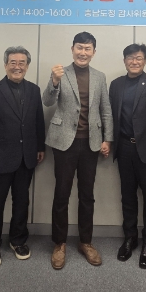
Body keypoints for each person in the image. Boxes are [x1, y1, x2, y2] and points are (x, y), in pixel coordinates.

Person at [42, 31, 113, 270]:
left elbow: (106, 110)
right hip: (64, 142)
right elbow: (48, 101)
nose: (83, 52)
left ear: (94, 52)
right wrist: (53, 82)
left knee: (87, 195)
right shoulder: (61, 73)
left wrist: (108, 139)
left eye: (87, 48)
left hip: (91, 143)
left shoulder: (100, 76)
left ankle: (86, 242)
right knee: (61, 194)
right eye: (79, 48)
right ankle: (59, 244)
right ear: (72, 49)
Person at [0, 46, 45, 268]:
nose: (17, 66)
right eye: (13, 62)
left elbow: (38, 120)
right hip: (0, 158)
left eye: (22, 62)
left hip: (26, 157)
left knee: (22, 202)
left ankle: (18, 240)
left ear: (27, 66)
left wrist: (40, 146)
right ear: (5, 65)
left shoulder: (34, 90)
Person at [109, 43, 146, 269]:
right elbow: (110, 115)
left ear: (145, 61)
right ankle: (130, 238)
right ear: (124, 60)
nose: (135, 61)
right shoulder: (116, 84)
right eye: (130, 58)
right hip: (124, 147)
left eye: (139, 58)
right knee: (128, 196)